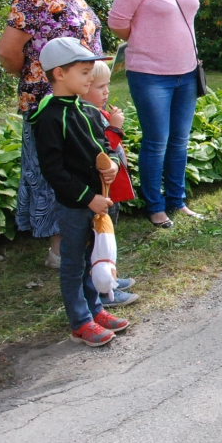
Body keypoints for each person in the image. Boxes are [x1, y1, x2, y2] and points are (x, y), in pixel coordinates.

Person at [0, 0, 105, 269]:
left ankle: (86, 244)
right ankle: (62, 253)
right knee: (56, 173)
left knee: (84, 168)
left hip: (79, 100)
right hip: (49, 104)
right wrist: (38, 78)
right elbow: (9, 53)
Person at [29, 37, 129, 347]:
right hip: (76, 205)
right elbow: (54, 170)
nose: (91, 78)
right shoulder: (49, 117)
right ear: (59, 74)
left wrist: (112, 164)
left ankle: (95, 309)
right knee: (73, 264)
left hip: (99, 200)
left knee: (91, 256)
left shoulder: (86, 110)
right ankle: (80, 321)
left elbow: (103, 146)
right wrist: (88, 198)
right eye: (85, 73)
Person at [109, 0, 203, 228]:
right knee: (157, 140)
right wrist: (148, 41)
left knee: (179, 140)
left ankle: (177, 202)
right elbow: (117, 22)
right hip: (150, 74)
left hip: (187, 71)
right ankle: (155, 206)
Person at [79, 60, 138, 306]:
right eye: (100, 87)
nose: (106, 92)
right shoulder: (87, 117)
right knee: (99, 245)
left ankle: (109, 278)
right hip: (100, 193)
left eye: (107, 86)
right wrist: (115, 128)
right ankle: (103, 292)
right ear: (83, 87)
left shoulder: (97, 113)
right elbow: (103, 151)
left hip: (110, 192)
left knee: (108, 242)